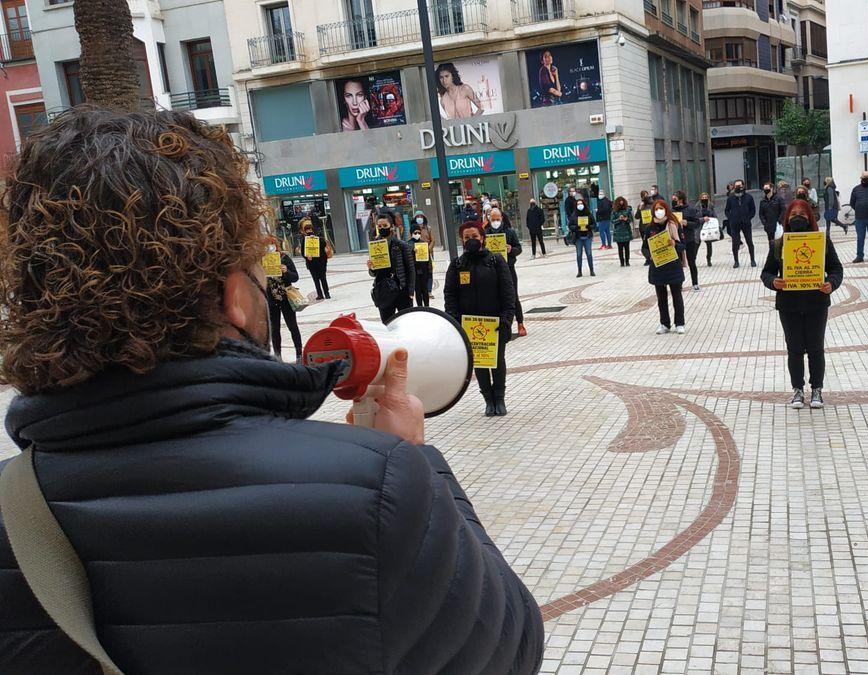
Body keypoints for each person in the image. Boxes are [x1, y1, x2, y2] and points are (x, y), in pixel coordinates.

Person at [0, 107, 543, 673]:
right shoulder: (376, 489)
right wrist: (416, 462)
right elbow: (510, 649)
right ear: (234, 296)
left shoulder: (12, 511)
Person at [761, 199, 843, 410]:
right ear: (787, 218)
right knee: (794, 349)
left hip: (816, 302)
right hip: (789, 304)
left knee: (816, 348)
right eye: (793, 214)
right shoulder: (779, 244)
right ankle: (797, 389)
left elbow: (836, 269)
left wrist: (831, 284)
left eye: (802, 214)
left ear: (810, 217)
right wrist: (773, 282)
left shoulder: (822, 241)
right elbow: (766, 272)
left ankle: (817, 389)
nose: (798, 217)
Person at [444, 222, 518, 416]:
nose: (471, 241)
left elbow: (508, 292)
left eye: (474, 236)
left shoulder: (496, 261)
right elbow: (450, 295)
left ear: (482, 237)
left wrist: (507, 319)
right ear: (462, 240)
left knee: (497, 360)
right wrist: (455, 321)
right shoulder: (457, 265)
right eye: (467, 237)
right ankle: (488, 398)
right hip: (469, 325)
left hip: (495, 322)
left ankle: (499, 397)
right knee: (479, 363)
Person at [642, 199, 686, 334]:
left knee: (676, 296)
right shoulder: (650, 228)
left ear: (666, 209)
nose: (659, 211)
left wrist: (674, 243)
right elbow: (644, 248)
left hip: (673, 265)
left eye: (661, 208)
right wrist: (650, 255)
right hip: (658, 267)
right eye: (656, 209)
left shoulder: (674, 224)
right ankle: (664, 323)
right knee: (661, 298)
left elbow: (682, 245)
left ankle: (679, 323)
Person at [487, 207, 527, 337]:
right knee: (495, 297)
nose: (495, 222)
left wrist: (511, 250)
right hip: (492, 269)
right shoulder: (485, 233)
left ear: (502, 219)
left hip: (508, 268)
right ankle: (501, 326)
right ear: (489, 219)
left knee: (513, 296)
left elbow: (519, 248)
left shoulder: (510, 232)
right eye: (493, 220)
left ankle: (520, 323)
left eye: (498, 219)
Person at [369, 217, 416, 324]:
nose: (382, 228)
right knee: (387, 324)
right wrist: (371, 268)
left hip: (401, 290)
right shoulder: (375, 245)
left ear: (391, 227)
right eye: (379, 226)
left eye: (385, 226)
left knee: (405, 323)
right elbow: (373, 273)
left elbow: (411, 269)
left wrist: (411, 291)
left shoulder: (401, 245)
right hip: (383, 290)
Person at [265, 236, 304, 361]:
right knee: (274, 328)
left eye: (272, 245)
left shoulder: (284, 258)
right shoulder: (262, 260)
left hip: (286, 298)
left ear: (276, 246)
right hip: (272, 299)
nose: (269, 248)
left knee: (292, 325)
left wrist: (286, 271)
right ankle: (278, 355)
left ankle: (299, 353)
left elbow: (295, 277)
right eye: (266, 246)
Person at [725, 179, 757, 268]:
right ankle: (736, 261)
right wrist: (731, 218)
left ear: (743, 186)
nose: (738, 187)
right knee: (735, 242)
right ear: (734, 187)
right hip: (734, 224)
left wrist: (748, 218)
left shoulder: (749, 197)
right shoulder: (730, 198)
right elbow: (727, 210)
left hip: (746, 223)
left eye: (740, 185)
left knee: (749, 241)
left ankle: (752, 260)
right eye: (736, 186)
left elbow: (753, 210)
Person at [674, 190, 702, 291]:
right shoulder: (672, 211)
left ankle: (695, 283)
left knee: (692, 262)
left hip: (689, 239)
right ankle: (679, 283)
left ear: (680, 199)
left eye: (675, 198)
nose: (673, 200)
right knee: (678, 263)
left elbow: (697, 223)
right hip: (677, 240)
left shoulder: (690, 209)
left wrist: (687, 223)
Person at [299, 217, 331, 300]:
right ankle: (320, 294)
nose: (309, 231)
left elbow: (324, 245)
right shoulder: (304, 240)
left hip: (321, 262)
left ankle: (327, 293)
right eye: (307, 230)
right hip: (311, 263)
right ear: (304, 231)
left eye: (310, 229)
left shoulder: (319, 237)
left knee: (323, 278)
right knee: (316, 280)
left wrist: (317, 240)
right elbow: (303, 252)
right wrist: (307, 257)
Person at [570, 197, 597, 277]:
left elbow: (594, 224)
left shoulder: (588, 213)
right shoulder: (574, 214)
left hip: (587, 236)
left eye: (581, 204)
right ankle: (579, 271)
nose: (580, 205)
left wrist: (589, 227)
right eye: (578, 204)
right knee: (579, 254)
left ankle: (591, 270)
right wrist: (576, 228)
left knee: (589, 254)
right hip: (578, 237)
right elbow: (570, 225)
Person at [410, 223, 434, 308]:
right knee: (418, 291)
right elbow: (407, 259)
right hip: (414, 272)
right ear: (411, 233)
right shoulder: (408, 244)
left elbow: (428, 258)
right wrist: (412, 252)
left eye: (418, 233)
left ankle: (427, 307)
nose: (417, 235)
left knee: (425, 290)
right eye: (415, 233)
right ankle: (420, 307)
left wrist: (429, 270)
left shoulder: (423, 243)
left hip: (424, 271)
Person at [612, 196, 635, 266]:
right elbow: (612, 221)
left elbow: (631, 219)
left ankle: (627, 261)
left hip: (626, 231)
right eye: (620, 201)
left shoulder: (627, 210)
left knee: (627, 247)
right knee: (620, 248)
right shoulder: (614, 211)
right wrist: (619, 219)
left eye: (622, 201)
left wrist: (626, 219)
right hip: (618, 232)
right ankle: (622, 262)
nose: (621, 202)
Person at [698, 192, 719, 266]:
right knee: (697, 243)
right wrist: (702, 219)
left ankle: (708, 259)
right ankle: (693, 259)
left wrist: (716, 222)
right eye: (703, 197)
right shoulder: (697, 206)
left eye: (705, 197)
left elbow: (714, 215)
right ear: (700, 198)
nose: (704, 199)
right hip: (700, 227)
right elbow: (695, 217)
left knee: (709, 245)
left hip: (708, 227)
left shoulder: (710, 205)